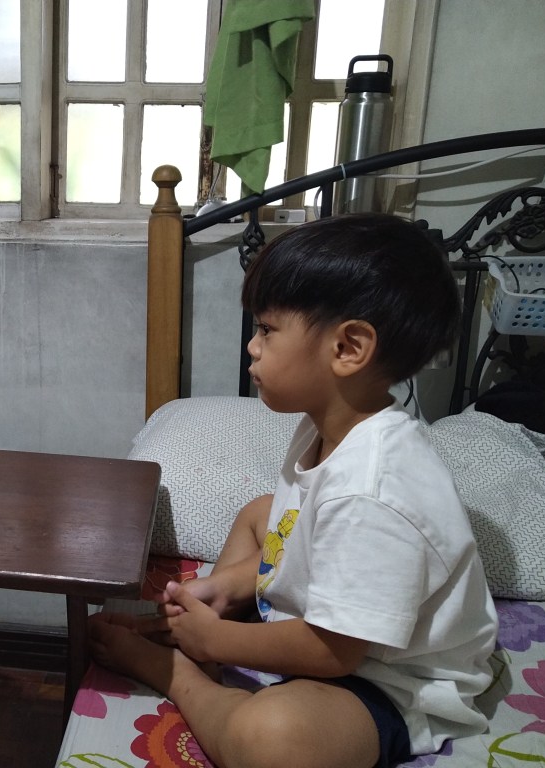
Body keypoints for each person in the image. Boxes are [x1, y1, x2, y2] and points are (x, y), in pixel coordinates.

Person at [90, 214, 498, 768]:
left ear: (348, 347)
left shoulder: (373, 491)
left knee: (274, 740)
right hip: (335, 625)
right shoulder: (328, 424)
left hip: (387, 678)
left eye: (267, 329)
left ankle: (181, 671)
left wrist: (217, 644)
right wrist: (228, 587)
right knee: (261, 512)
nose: (253, 348)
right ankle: (215, 611)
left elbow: (335, 650)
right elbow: (285, 524)